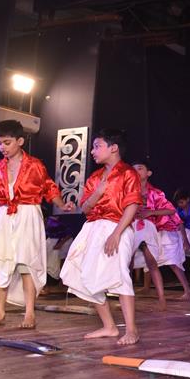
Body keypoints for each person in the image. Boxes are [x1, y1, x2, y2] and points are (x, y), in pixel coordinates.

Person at [0, 120, 74, 329]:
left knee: (26, 264)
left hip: (28, 214)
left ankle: (29, 313)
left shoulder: (34, 165)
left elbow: (49, 188)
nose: (2, 147)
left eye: (7, 143)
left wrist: (62, 205)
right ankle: (0, 312)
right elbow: (2, 196)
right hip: (5, 215)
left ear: (19, 141)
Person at [60, 129, 143, 345]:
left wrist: (116, 234)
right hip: (92, 228)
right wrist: (98, 192)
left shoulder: (128, 173)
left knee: (120, 275)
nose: (92, 151)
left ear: (113, 148)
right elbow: (85, 209)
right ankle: (109, 326)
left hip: (117, 226)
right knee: (83, 274)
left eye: (97, 146)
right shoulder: (95, 177)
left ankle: (131, 330)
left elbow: (132, 205)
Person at [131, 161, 190, 301]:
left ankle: (187, 290)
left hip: (164, 230)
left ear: (148, 173)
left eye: (140, 168)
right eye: (133, 169)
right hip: (147, 230)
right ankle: (144, 288)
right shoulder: (130, 192)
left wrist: (151, 212)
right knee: (145, 258)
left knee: (171, 260)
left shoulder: (156, 193)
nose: (136, 171)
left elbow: (171, 210)